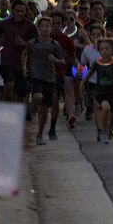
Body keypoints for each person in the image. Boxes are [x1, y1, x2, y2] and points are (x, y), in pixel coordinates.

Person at [24, 17, 66, 145]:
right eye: (43, 26)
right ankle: (31, 107)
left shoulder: (55, 45)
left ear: (51, 28)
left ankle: (39, 134)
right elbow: (24, 54)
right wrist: (24, 67)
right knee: (37, 96)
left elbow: (63, 61)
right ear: (38, 28)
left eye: (48, 26)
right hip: (36, 74)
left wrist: (55, 60)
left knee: (44, 109)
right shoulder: (32, 43)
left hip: (50, 77)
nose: (46, 29)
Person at [81, 38, 113, 144]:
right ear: (99, 51)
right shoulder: (97, 63)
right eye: (102, 49)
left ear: (112, 50)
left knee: (112, 119)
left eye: (107, 49)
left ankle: (110, 130)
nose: (105, 51)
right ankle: (102, 131)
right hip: (100, 92)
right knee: (105, 108)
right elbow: (89, 73)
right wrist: (82, 83)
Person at [0, 0, 37, 105]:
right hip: (7, 61)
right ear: (12, 10)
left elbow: (36, 45)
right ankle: (9, 110)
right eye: (17, 11)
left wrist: (24, 43)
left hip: (22, 64)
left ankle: (19, 113)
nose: (20, 13)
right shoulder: (4, 24)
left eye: (22, 11)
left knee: (20, 94)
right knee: (9, 84)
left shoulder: (30, 26)